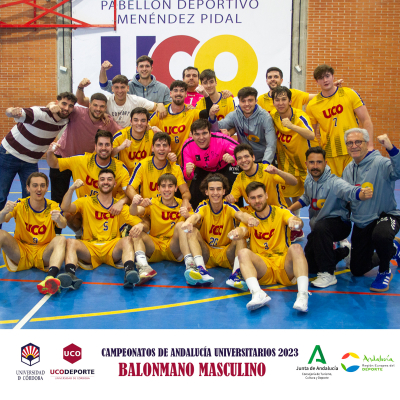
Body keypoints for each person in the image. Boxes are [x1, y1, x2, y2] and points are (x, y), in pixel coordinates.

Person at [289, 146, 373, 287]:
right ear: (306, 164)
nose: (315, 166)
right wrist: (289, 209)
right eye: (312, 162)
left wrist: (361, 193)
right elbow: (306, 198)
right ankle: (344, 252)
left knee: (322, 227)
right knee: (311, 264)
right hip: (320, 228)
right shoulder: (309, 180)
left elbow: (349, 190)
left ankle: (328, 274)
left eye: (319, 162)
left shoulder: (334, 182)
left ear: (325, 163)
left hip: (339, 224)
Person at [58, 170, 145, 290]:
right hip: (90, 246)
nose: (106, 182)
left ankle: (129, 273)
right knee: (70, 242)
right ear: (97, 184)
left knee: (127, 240)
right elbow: (65, 207)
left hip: (112, 246)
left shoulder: (119, 207)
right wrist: (72, 188)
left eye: (109, 179)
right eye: (102, 179)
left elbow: (140, 222)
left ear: (114, 184)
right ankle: (70, 274)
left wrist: (140, 226)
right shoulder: (87, 201)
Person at [0, 92, 76, 228]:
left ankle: (24, 235)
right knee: (1, 196)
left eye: (70, 106)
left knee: (31, 200)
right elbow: (10, 112)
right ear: (57, 102)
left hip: (31, 161)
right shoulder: (39, 113)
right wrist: (12, 111)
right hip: (9, 154)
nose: (66, 108)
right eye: (64, 103)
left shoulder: (66, 119)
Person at [48, 93, 121, 233]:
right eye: (95, 105)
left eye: (101, 106)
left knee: (88, 198)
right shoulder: (78, 111)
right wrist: (52, 106)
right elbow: (59, 109)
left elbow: (125, 133)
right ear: (89, 105)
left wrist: (149, 129)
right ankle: (55, 236)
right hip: (63, 156)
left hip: (83, 163)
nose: (98, 109)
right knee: (58, 199)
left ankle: (82, 231)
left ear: (106, 108)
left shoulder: (108, 122)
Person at [232, 181, 309, 312]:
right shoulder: (250, 219)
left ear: (266, 195)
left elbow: (295, 220)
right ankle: (257, 293)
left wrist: (295, 221)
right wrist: (236, 232)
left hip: (284, 265)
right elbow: (243, 231)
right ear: (248, 201)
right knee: (243, 253)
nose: (257, 201)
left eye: (260, 196)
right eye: (253, 198)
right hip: (264, 267)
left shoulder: (280, 212)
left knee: (296, 248)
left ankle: (303, 296)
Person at [342, 129, 400, 292]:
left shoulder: (381, 163)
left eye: (358, 142)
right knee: (358, 269)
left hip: (386, 215)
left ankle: (384, 271)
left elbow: (399, 171)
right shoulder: (348, 169)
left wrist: (391, 148)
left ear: (366, 144)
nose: (354, 146)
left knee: (381, 235)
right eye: (350, 143)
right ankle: (394, 248)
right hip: (362, 222)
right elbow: (345, 196)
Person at [47, 130, 132, 236]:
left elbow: (130, 193)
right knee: (68, 214)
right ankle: (79, 234)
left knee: (130, 211)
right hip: (86, 209)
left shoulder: (120, 168)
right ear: (95, 147)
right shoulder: (81, 161)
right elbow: (54, 163)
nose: (104, 148)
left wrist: (121, 202)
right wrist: (50, 152)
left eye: (107, 145)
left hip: (109, 210)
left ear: (112, 147)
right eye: (100, 144)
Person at [180, 173, 258, 287]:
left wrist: (250, 219)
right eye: (211, 189)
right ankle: (201, 269)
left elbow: (241, 215)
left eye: (218, 189)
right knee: (192, 232)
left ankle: (236, 275)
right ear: (206, 192)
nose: (215, 193)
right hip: (207, 252)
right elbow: (195, 216)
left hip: (227, 253)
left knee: (240, 237)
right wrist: (188, 222)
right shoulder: (203, 206)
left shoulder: (229, 207)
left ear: (224, 191)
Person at [0, 172, 67, 295]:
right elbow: (1, 219)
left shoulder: (53, 206)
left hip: (43, 253)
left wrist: (59, 219)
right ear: (28, 188)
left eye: (42, 185)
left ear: (47, 188)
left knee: (61, 239)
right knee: (0, 234)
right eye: (35, 185)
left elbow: (63, 224)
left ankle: (50, 278)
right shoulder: (20, 204)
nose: (39, 189)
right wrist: (4, 212)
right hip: (21, 251)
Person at [306, 64, 374, 176]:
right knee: (335, 191)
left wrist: (370, 146)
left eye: (327, 76)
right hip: (330, 153)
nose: (325, 80)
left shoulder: (349, 93)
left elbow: (366, 119)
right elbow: (311, 134)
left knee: (355, 188)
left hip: (353, 149)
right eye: (321, 78)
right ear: (316, 81)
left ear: (333, 77)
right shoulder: (312, 105)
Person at [271, 86, 319, 241]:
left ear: (290, 101)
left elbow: (311, 135)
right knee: (291, 195)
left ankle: (324, 233)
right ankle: (296, 230)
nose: (280, 103)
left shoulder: (300, 116)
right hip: (288, 161)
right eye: (277, 100)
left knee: (316, 200)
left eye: (284, 99)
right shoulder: (273, 115)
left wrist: (291, 126)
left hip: (308, 163)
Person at [129, 173, 193, 284]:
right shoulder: (152, 202)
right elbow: (133, 212)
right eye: (163, 186)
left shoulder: (183, 205)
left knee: (181, 225)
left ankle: (190, 266)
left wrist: (188, 216)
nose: (167, 189)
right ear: (158, 188)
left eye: (170, 186)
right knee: (136, 231)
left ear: (176, 188)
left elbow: (197, 225)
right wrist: (134, 204)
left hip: (174, 247)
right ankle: (144, 267)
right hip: (155, 245)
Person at [149, 80, 214, 162]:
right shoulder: (161, 112)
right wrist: (153, 129)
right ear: (171, 94)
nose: (178, 93)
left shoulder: (190, 112)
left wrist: (205, 94)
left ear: (186, 94)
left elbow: (210, 112)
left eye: (182, 91)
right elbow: (145, 127)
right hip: (164, 162)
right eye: (175, 90)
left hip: (186, 163)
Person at [181, 119, 239, 209]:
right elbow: (188, 176)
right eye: (197, 134)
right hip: (203, 169)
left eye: (204, 133)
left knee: (233, 194)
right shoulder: (187, 146)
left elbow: (246, 154)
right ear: (191, 135)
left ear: (210, 133)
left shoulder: (222, 139)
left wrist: (234, 159)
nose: (201, 138)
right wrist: (188, 172)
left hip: (224, 167)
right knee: (194, 195)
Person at [209, 87, 276, 164]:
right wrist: (211, 116)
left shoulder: (265, 117)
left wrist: (265, 164)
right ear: (239, 102)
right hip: (243, 160)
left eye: (250, 100)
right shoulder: (235, 115)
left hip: (263, 159)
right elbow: (216, 129)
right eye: (243, 101)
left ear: (256, 101)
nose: (247, 104)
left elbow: (271, 144)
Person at [128, 132, 191, 209]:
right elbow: (130, 188)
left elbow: (185, 192)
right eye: (158, 145)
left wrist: (185, 200)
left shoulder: (175, 167)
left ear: (169, 148)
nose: (161, 148)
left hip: (168, 209)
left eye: (165, 145)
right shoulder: (142, 165)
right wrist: (140, 201)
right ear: (152, 148)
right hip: (148, 208)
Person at [76, 75, 166, 128]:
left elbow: (157, 106)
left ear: (127, 88)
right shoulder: (105, 100)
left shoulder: (135, 100)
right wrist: (80, 87)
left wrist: (161, 104)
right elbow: (81, 101)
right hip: (110, 138)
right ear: (112, 88)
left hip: (129, 138)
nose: (119, 91)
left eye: (122, 87)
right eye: (116, 87)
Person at [225, 144, 296, 210]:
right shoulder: (240, 178)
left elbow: (294, 182)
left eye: (246, 156)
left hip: (276, 211)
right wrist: (230, 198)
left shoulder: (267, 170)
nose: (243, 160)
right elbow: (233, 197)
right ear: (237, 161)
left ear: (253, 157)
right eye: (239, 158)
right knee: (235, 215)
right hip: (256, 214)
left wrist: (278, 172)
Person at [257, 66, 343, 114]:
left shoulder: (294, 93)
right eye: (270, 77)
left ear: (281, 80)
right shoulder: (261, 100)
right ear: (266, 81)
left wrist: (330, 88)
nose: (272, 79)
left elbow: (318, 97)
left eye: (276, 77)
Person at [99, 56, 171, 104]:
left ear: (152, 68)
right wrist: (103, 69)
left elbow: (170, 109)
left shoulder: (163, 88)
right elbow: (104, 85)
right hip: (132, 125)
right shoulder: (127, 86)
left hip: (155, 126)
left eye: (147, 66)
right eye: (141, 66)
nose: (144, 69)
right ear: (137, 69)